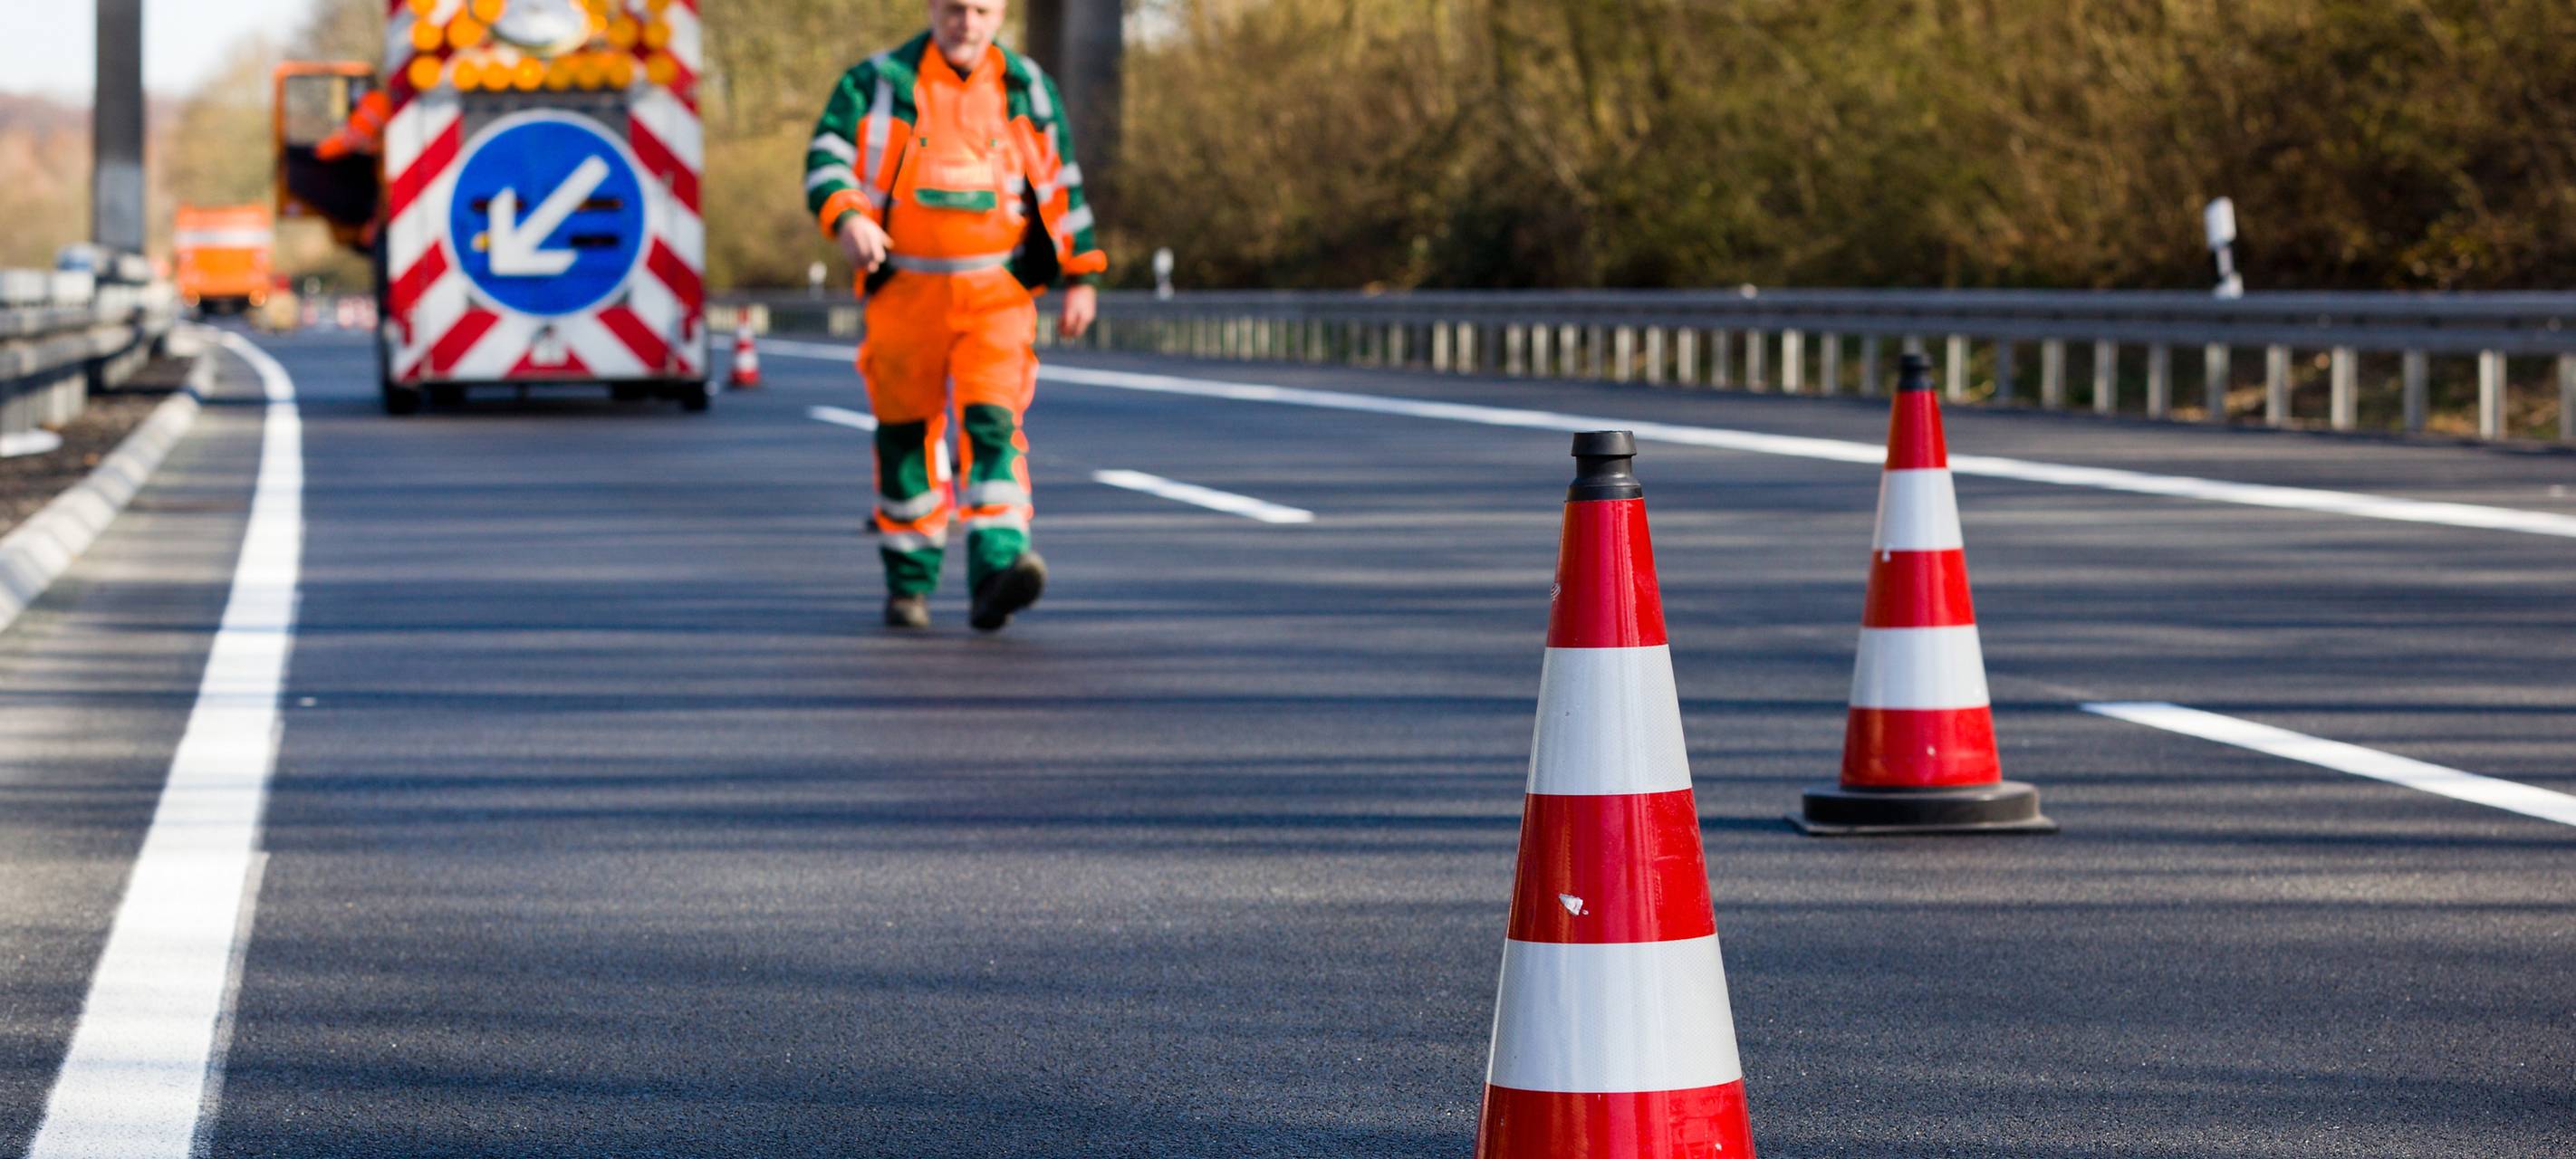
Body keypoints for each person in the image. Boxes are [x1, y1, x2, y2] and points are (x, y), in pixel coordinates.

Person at [804, 0, 1106, 632]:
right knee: (906, 437)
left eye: (980, 9)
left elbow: (1063, 185)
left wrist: (1081, 275)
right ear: (929, 9)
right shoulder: (878, 82)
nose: (965, 21)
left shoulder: (1026, 86)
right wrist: (848, 216)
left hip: (997, 294)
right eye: (952, 7)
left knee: (994, 425)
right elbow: (826, 157)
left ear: (998, 15)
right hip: (904, 294)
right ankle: (909, 585)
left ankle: (998, 572)